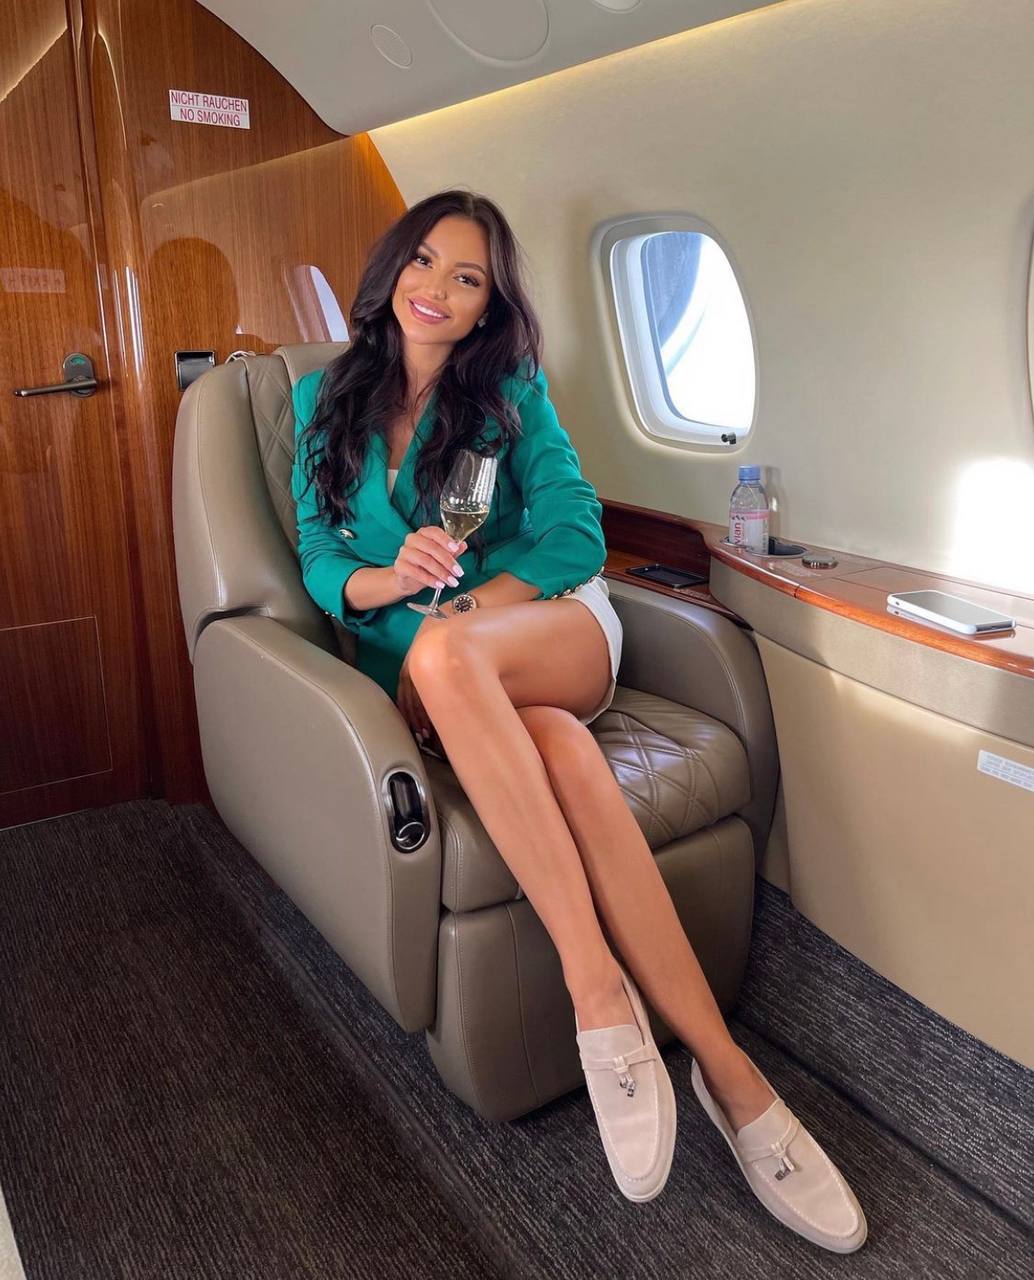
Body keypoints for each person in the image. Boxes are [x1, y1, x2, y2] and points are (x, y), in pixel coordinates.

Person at [291, 188, 867, 1253]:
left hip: (548, 627)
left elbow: (573, 535)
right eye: (423, 262)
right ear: (390, 271)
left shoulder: (505, 392)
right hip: (451, 676)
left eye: (467, 278)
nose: (437, 288)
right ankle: (732, 1077)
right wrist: (390, 579)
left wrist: (456, 615)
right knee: (554, 745)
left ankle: (595, 989)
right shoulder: (322, 399)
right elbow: (319, 556)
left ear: (487, 305)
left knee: (447, 655)